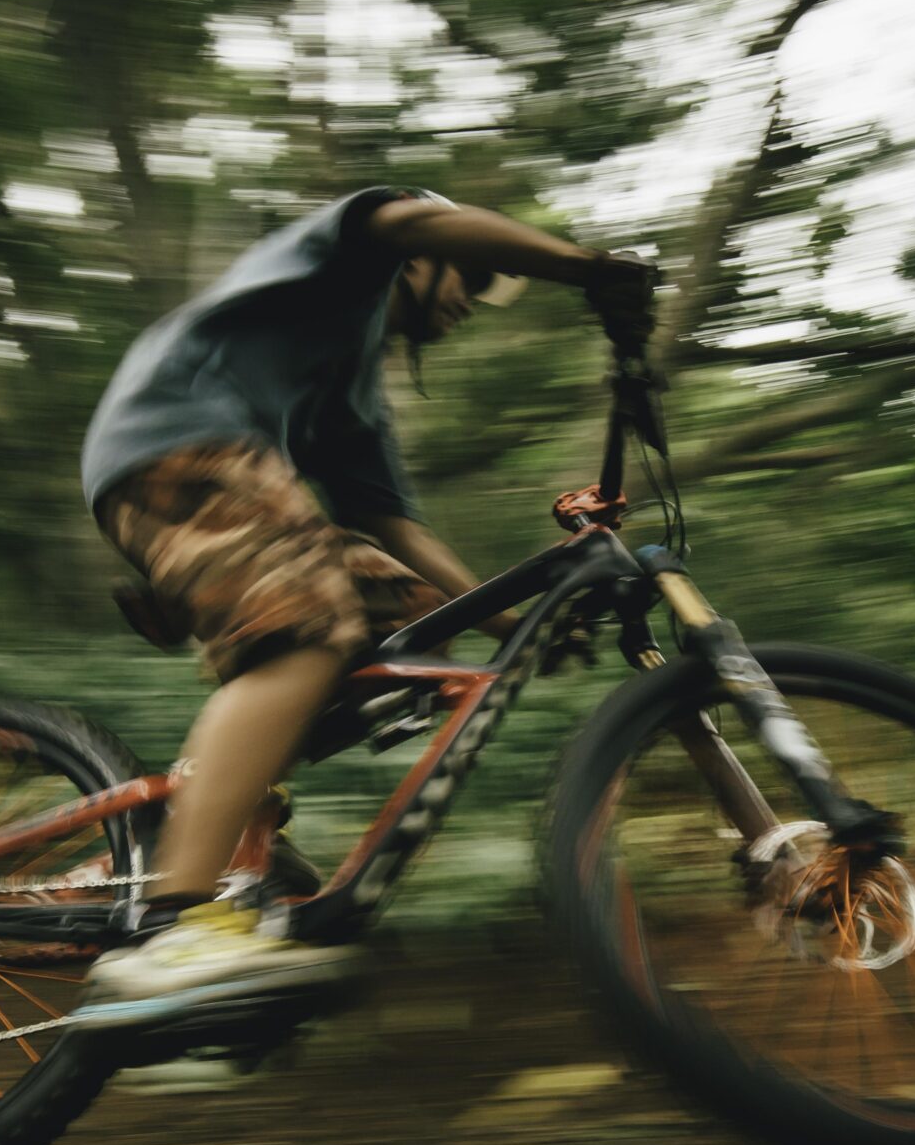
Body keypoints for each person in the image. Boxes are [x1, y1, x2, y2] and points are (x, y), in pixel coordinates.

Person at [77, 185, 654, 1012]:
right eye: (473, 278)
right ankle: (175, 924)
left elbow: (397, 531)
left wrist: (524, 623)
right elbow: (409, 218)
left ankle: (222, 819)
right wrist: (586, 268)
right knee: (309, 632)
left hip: (211, 464)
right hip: (178, 439)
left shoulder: (351, 392)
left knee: (412, 621)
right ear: (421, 262)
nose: (474, 303)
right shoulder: (348, 258)